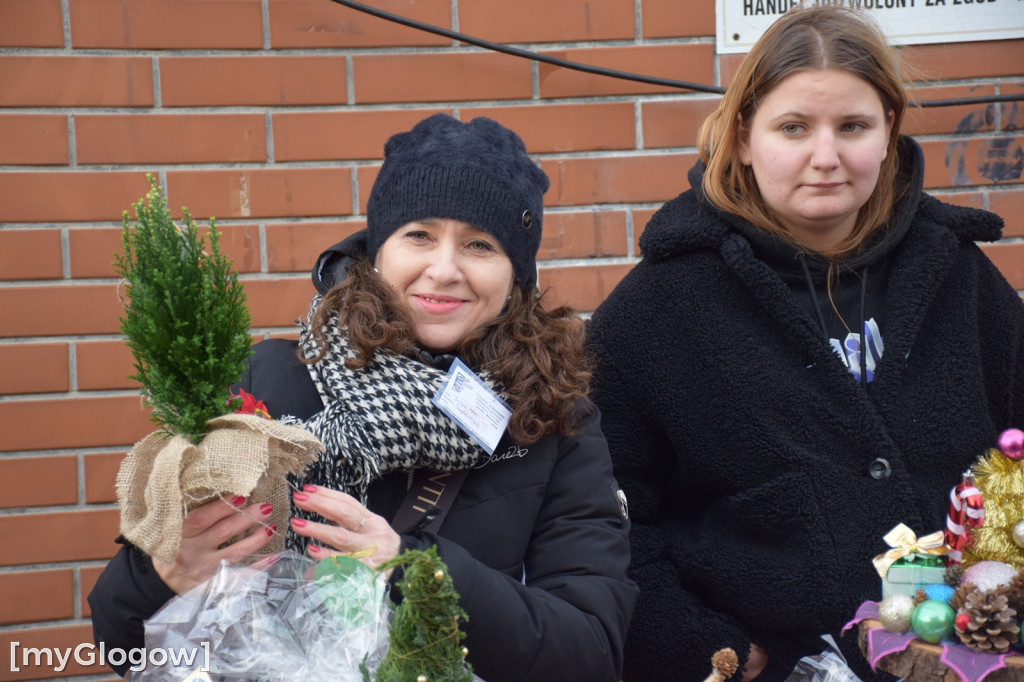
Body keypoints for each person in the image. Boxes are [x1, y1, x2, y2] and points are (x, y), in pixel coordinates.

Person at [89, 113, 637, 682]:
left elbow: (590, 652)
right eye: (419, 235)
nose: (443, 269)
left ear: (515, 274)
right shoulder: (269, 380)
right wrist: (164, 575)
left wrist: (413, 571)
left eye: (480, 244)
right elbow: (120, 638)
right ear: (379, 249)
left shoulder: (550, 418)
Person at [585, 5, 1024, 680]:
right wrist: (705, 644)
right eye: (793, 127)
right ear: (741, 137)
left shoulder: (959, 273)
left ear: (888, 133)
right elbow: (608, 517)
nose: (826, 157)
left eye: (852, 126)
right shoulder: (656, 311)